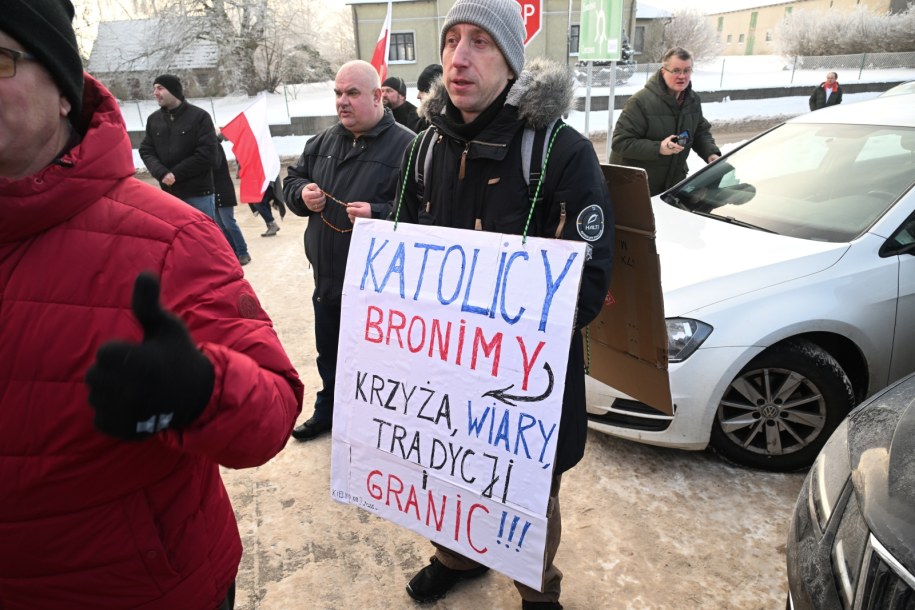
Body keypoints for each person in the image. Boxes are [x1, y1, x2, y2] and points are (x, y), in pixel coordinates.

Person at [0, 2, 304, 608]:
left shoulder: (171, 241)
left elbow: (271, 410)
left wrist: (199, 390)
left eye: (0, 61)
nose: (160, 96)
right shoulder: (160, 128)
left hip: (137, 587)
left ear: (63, 91)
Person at [392, 1, 614, 608]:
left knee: (526, 498)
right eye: (452, 40)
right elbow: (400, 259)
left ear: (512, 63)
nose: (459, 57)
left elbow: (589, 279)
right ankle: (455, 557)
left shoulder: (559, 151)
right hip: (440, 376)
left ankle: (537, 590)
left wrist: (505, 343)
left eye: (482, 42)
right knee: (444, 471)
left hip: (522, 387)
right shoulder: (426, 148)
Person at [283, 60, 414, 441]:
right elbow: (292, 178)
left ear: (377, 97)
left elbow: (427, 213)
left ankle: (381, 427)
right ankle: (330, 409)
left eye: (352, 93)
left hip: (380, 288)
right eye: (338, 93)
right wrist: (300, 194)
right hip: (327, 277)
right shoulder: (322, 142)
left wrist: (381, 214)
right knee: (330, 353)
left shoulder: (408, 145)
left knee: (380, 363)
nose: (342, 102)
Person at [609, 47, 721, 196]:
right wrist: (659, 148)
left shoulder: (692, 100)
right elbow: (620, 142)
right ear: (663, 72)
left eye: (687, 70)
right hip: (637, 187)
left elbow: (699, 131)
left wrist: (710, 153)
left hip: (671, 185)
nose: (682, 76)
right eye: (676, 70)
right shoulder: (640, 102)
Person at [139, 73, 220, 218]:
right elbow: (146, 150)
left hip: (198, 194)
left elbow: (208, 154)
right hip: (170, 196)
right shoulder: (154, 120)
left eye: (160, 88)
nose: (155, 93)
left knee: (203, 238)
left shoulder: (200, 117)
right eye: (154, 89)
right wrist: (161, 172)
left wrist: (175, 174)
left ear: (173, 91)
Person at [214, 133, 252, 265]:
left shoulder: (214, 146)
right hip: (212, 191)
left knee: (228, 223)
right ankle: (234, 253)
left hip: (222, 190)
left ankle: (242, 252)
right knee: (221, 226)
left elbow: (215, 165)